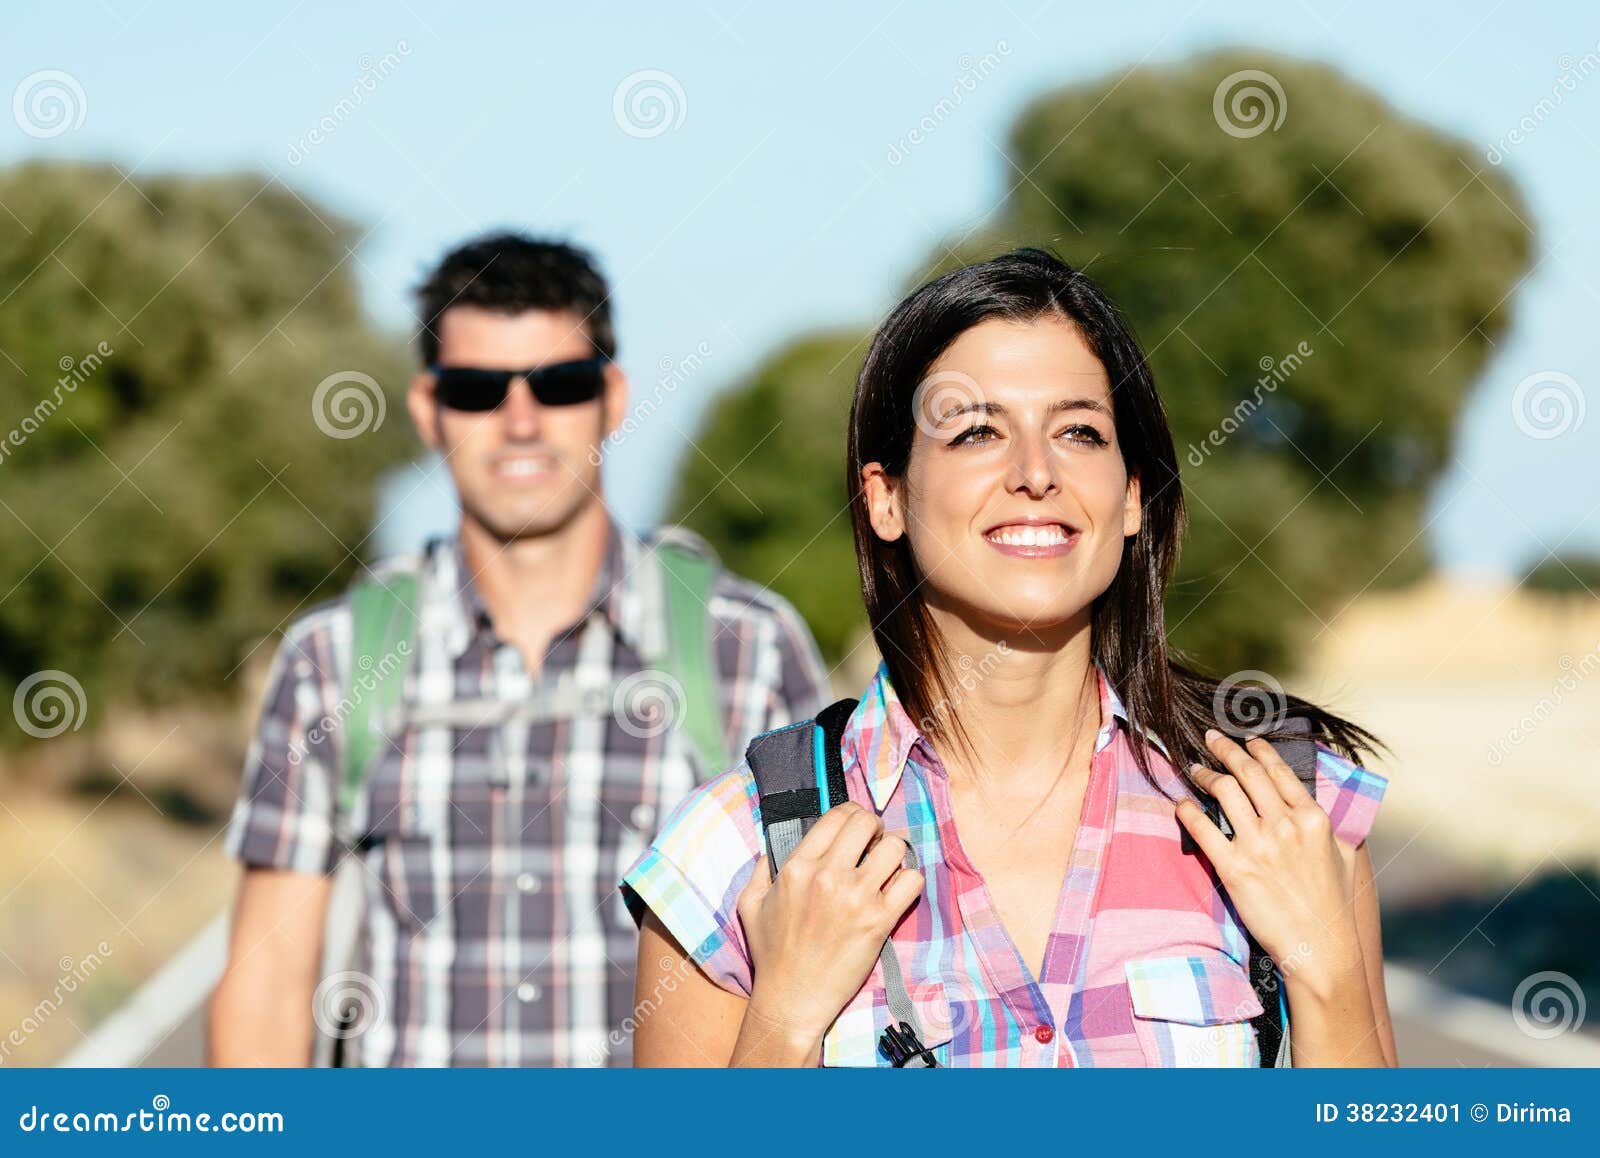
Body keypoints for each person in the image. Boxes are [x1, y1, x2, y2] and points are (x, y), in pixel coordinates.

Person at [620, 247, 1396, 1067]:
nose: (1036, 473)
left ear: (1132, 496)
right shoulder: (738, 846)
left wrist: (1326, 973)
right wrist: (784, 1018)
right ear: (886, 498)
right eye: (977, 432)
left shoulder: (1286, 811)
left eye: (1079, 432)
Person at [208, 232, 829, 1067]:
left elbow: (824, 959)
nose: (522, 421)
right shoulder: (335, 659)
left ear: (611, 396)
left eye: (559, 383)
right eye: (477, 390)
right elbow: (268, 981)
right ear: (428, 408)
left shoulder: (748, 648)